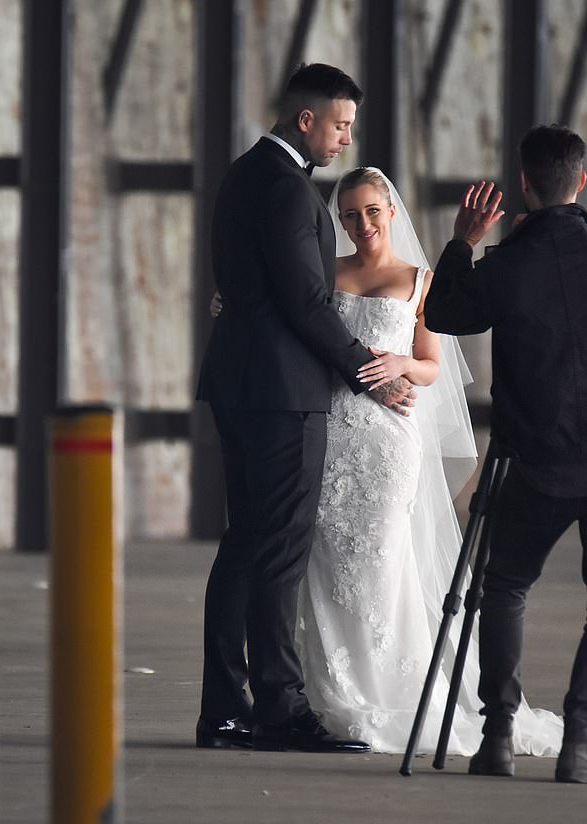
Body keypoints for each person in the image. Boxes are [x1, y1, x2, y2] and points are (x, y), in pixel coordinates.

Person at [294, 166, 561, 756]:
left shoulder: (420, 280)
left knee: (386, 556)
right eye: (349, 216)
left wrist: (398, 366)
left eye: (371, 211)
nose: (361, 225)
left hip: (389, 442)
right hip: (334, 435)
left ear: (391, 211)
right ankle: (332, 692)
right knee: (326, 557)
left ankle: (395, 686)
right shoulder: (325, 274)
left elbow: (433, 367)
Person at [195, 63, 415, 753]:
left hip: (240, 385)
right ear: (306, 119)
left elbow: (247, 287)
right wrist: (369, 374)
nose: (346, 138)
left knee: (244, 547)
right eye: (341, 124)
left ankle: (225, 710)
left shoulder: (241, 175)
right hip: (283, 395)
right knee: (281, 551)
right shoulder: (290, 191)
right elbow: (305, 303)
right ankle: (280, 710)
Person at [424, 124, 587, 782]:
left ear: (524, 183)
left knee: (504, 588)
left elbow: (441, 312)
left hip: (534, 459)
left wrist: (463, 243)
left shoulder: (508, 261)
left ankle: (495, 737)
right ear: (579, 181)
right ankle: (580, 742)